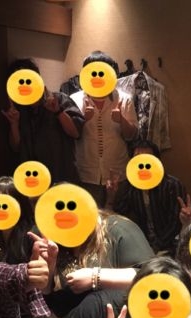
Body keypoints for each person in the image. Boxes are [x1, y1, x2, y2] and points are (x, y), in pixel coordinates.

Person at [42, 211, 154, 318]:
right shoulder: (57, 246)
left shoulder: (117, 229)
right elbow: (55, 305)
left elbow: (152, 277)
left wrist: (95, 277)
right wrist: (48, 272)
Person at [71, 51, 138, 207]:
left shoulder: (124, 99)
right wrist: (83, 119)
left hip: (117, 174)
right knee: (89, 217)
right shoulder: (74, 99)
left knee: (116, 217)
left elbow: (132, 136)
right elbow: (71, 135)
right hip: (85, 174)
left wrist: (121, 120)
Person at [2, 58, 84, 183]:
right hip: (32, 181)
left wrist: (58, 112)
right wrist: (14, 124)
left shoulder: (59, 99)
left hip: (61, 178)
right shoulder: (18, 110)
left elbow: (76, 132)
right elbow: (16, 147)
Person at [112, 139, 186, 255]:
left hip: (169, 246)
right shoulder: (130, 186)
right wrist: (114, 193)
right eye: (137, 159)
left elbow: (175, 223)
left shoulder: (172, 185)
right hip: (140, 246)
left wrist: (156, 248)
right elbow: (120, 213)